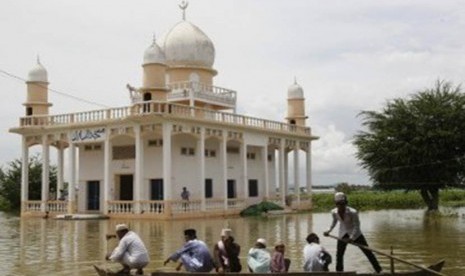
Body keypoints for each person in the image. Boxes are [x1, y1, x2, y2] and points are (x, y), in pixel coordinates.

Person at [323, 192, 382, 273]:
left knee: (368, 252)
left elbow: (357, 226)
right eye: (338, 204)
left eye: (342, 204)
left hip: (356, 234)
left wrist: (351, 237)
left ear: (346, 203)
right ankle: (339, 273)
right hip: (342, 233)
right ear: (336, 204)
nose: (340, 206)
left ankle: (379, 270)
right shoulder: (334, 212)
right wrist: (328, 230)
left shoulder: (353, 212)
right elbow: (333, 223)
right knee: (339, 255)